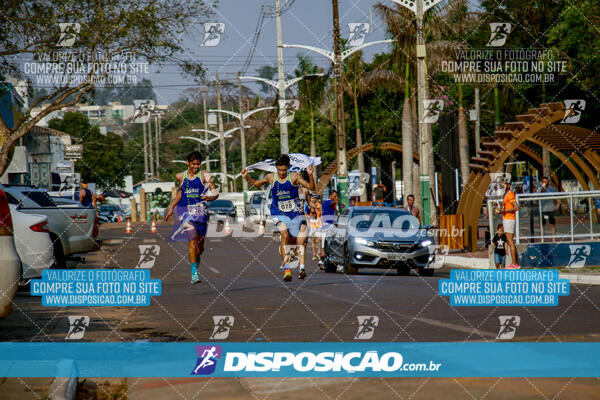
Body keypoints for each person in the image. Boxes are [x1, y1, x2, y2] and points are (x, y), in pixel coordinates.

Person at [242, 154, 316, 281]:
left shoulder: (294, 176)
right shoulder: (271, 177)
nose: (282, 173)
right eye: (279, 170)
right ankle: (287, 269)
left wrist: (310, 174)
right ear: (276, 168)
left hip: (295, 213)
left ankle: (301, 268)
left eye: (284, 170)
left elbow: (312, 188)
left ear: (288, 168)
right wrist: (246, 177)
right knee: (285, 235)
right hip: (278, 213)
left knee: (299, 241)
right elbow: (256, 184)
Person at [165, 151, 219, 285]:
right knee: (192, 236)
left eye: (198, 164)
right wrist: (172, 206)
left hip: (200, 210)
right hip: (185, 210)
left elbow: (215, 192)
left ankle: (197, 257)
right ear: (187, 163)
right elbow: (181, 192)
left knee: (200, 245)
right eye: (193, 164)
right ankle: (194, 273)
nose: (196, 166)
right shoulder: (180, 176)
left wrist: (211, 197)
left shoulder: (204, 175)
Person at [498, 178, 520, 269]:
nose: (501, 186)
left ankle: (514, 264)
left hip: (509, 219)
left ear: (507, 185)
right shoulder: (506, 194)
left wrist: (505, 211)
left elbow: (516, 207)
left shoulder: (510, 194)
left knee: (510, 241)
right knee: (509, 241)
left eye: (503, 184)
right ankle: (514, 262)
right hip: (507, 219)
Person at [536, 177, 558, 242]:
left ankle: (553, 238)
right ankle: (542, 238)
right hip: (543, 210)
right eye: (543, 182)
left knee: (552, 223)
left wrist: (557, 205)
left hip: (550, 209)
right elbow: (537, 195)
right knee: (543, 224)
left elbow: (559, 196)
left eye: (546, 182)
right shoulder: (540, 189)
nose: (545, 183)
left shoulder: (552, 189)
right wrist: (543, 188)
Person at [305, 193, 324, 268]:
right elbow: (306, 213)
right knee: (313, 240)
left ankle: (319, 252)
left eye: (315, 198)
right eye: (313, 198)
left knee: (319, 239)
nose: (314, 199)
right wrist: (309, 216)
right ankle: (314, 254)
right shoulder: (308, 205)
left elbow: (322, 213)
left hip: (319, 224)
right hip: (312, 225)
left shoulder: (319, 205)